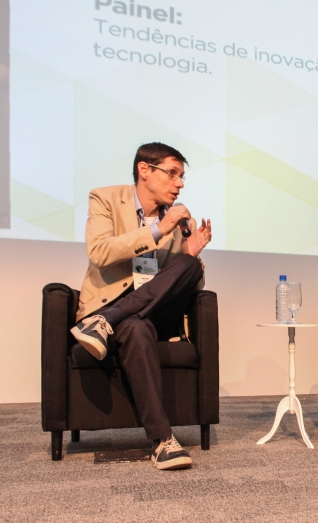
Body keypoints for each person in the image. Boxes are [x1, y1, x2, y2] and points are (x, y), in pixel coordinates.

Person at [70, 142, 212, 469]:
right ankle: (163, 441)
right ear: (144, 170)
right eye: (172, 174)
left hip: (154, 311)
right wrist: (159, 229)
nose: (180, 184)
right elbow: (100, 252)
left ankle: (105, 321)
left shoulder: (179, 222)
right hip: (125, 312)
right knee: (133, 327)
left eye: (182, 177)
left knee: (190, 267)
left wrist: (189, 254)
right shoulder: (105, 198)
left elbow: (180, 285)